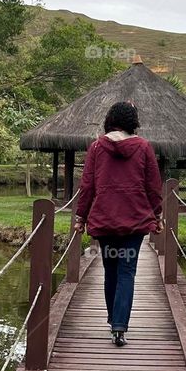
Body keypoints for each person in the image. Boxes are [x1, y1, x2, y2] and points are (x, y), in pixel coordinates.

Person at [73, 100, 163, 347]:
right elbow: (153, 186)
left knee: (110, 270)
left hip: (104, 219)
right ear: (133, 122)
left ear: (110, 120)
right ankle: (119, 326)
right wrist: (157, 215)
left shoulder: (96, 148)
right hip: (134, 221)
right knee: (127, 271)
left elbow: (87, 185)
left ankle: (114, 320)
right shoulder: (143, 147)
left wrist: (81, 217)